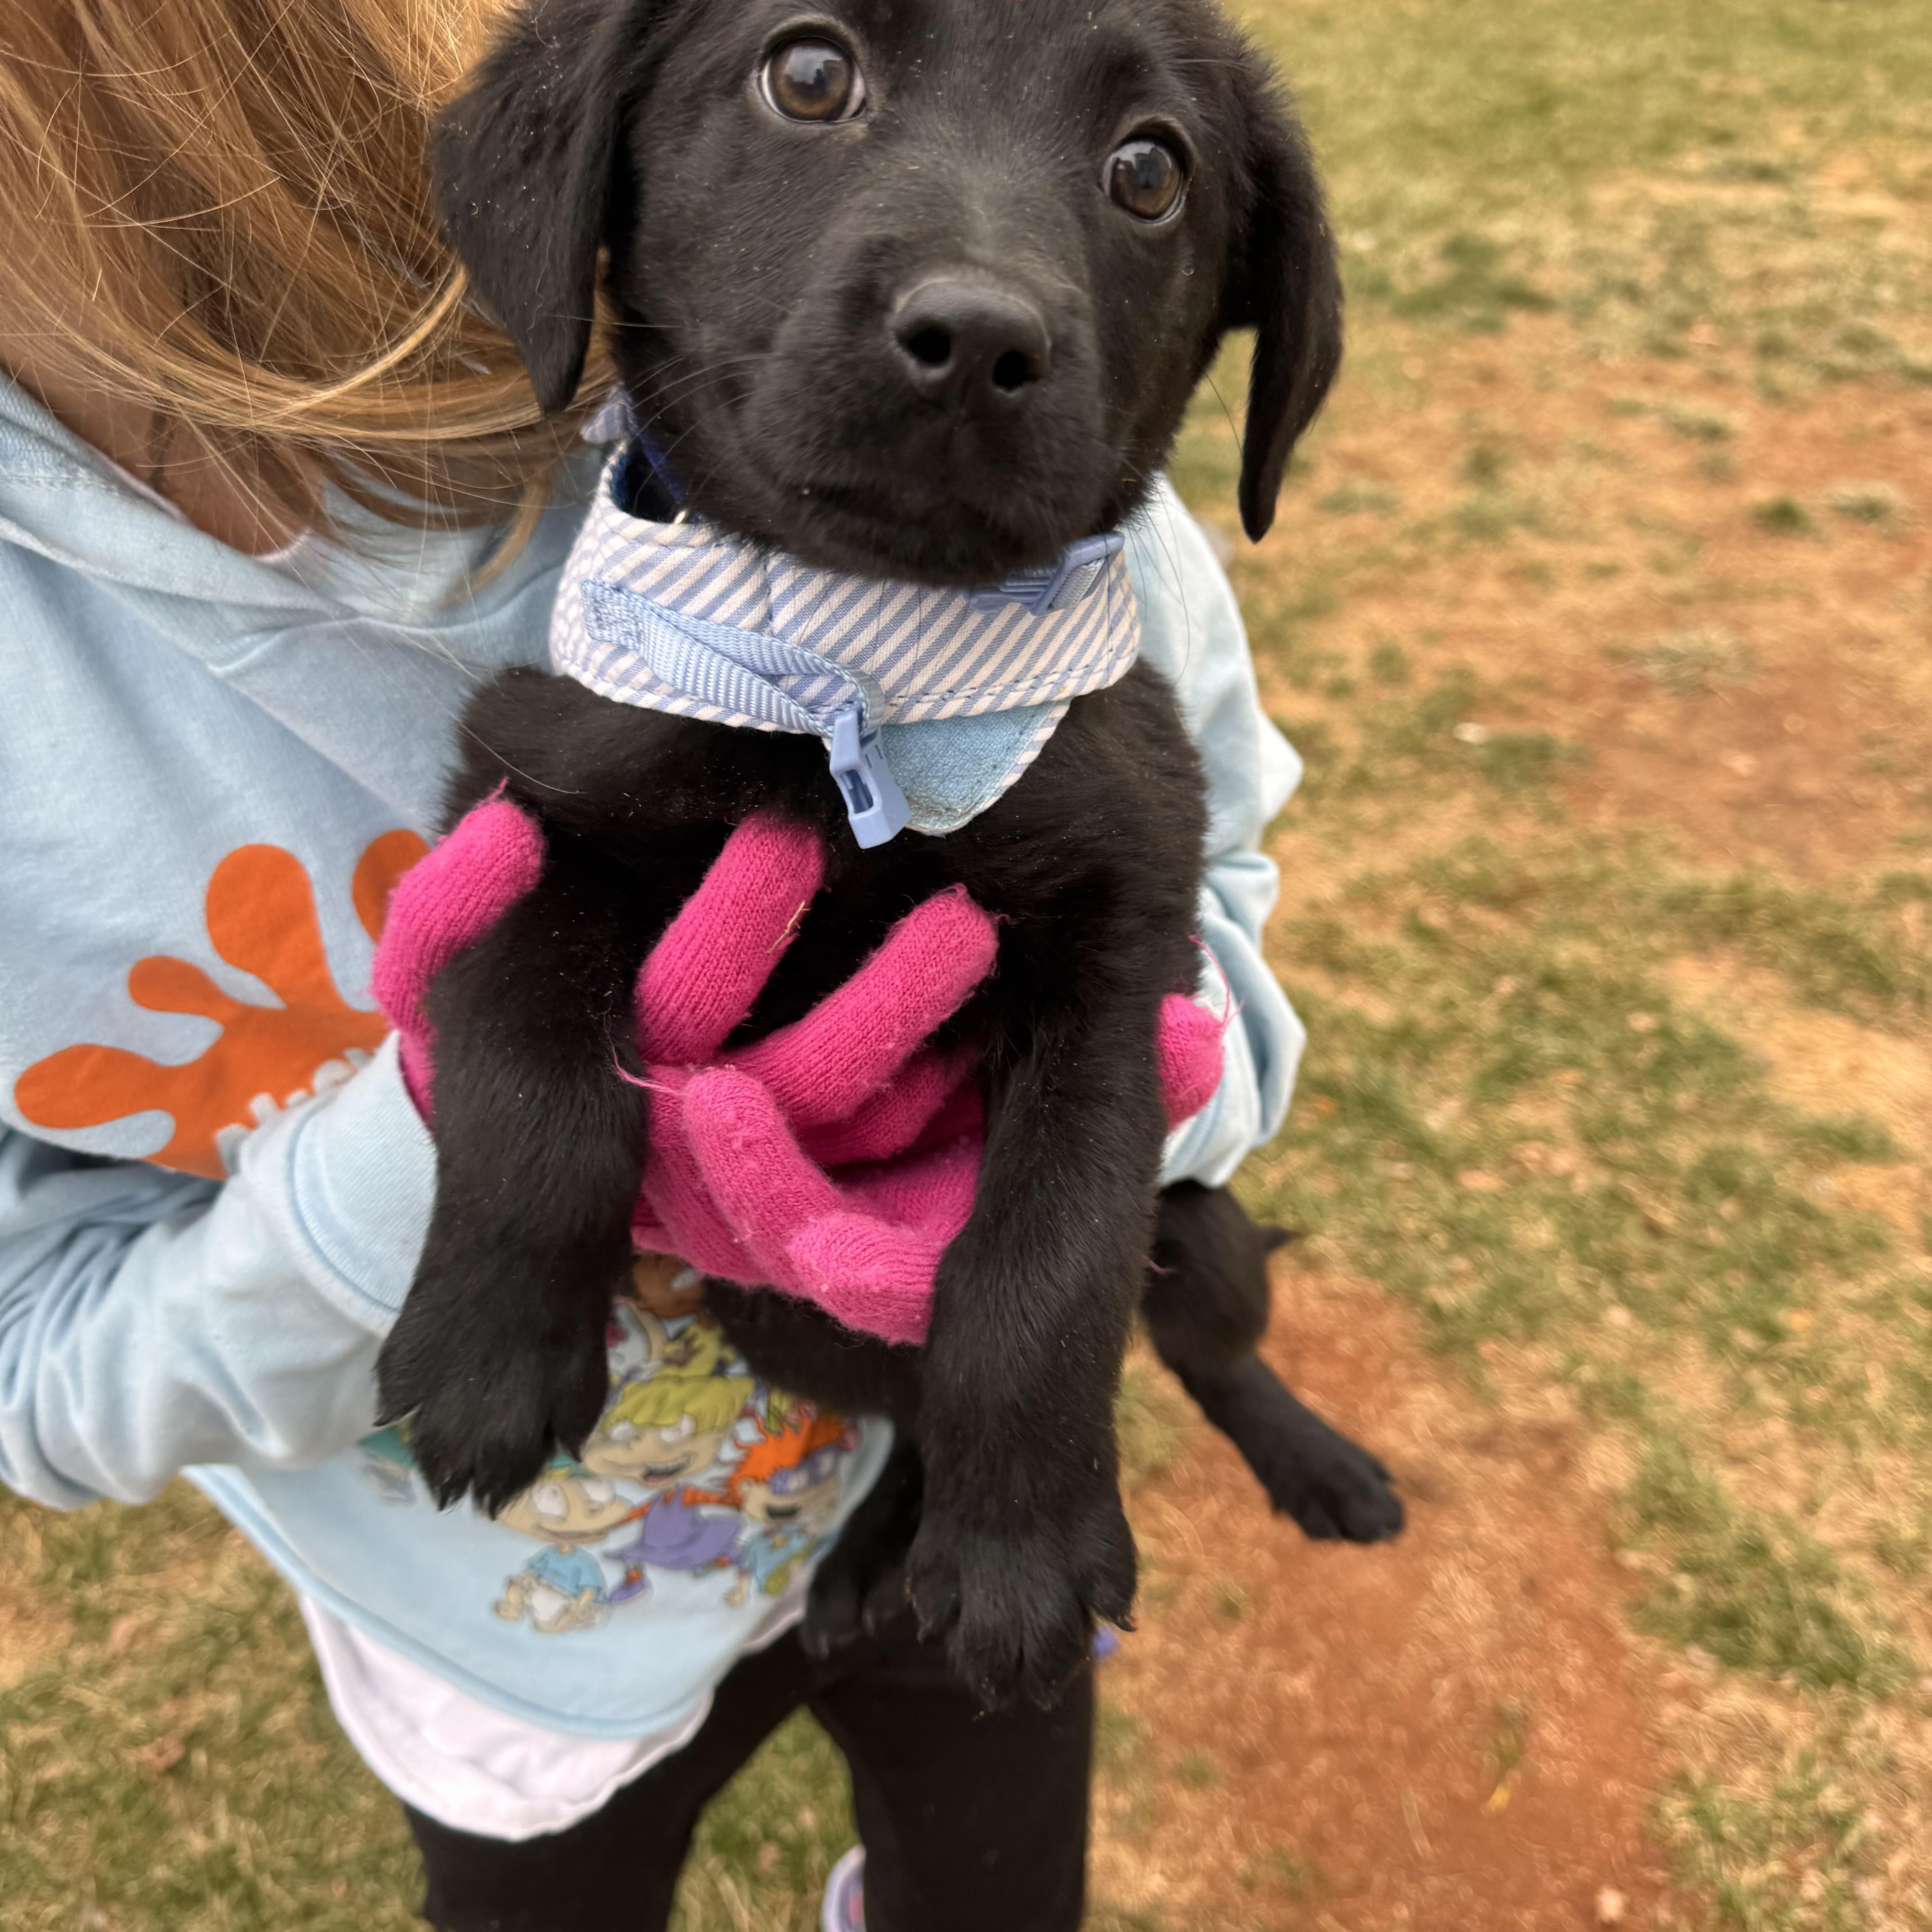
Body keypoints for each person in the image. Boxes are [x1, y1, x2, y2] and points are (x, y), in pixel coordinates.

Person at [0, 4, 1306, 1929]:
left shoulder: (1045, 624)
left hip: (945, 1498)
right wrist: (439, 1157)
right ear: (586, 190)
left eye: (1142, 174)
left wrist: (1164, 1117)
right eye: (812, 73)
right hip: (511, 1653)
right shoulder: (649, 588)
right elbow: (45, 1365)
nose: (986, 295)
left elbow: (1184, 951)